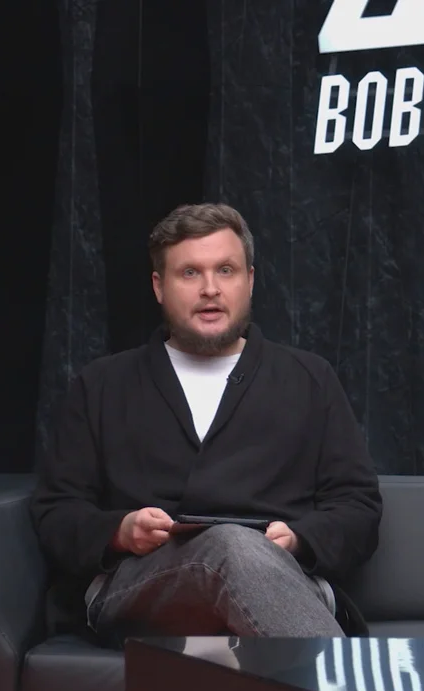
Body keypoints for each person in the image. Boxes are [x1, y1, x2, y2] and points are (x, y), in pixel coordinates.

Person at [31, 202, 382, 644]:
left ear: (249, 280)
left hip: (286, 579)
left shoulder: (309, 378)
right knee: (228, 545)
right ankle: (344, 687)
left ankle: (312, 678)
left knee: (238, 548)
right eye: (190, 273)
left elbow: (358, 507)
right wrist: (120, 532)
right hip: (142, 588)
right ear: (159, 286)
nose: (210, 289)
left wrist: (298, 539)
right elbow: (57, 511)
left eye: (226, 271)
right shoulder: (102, 384)